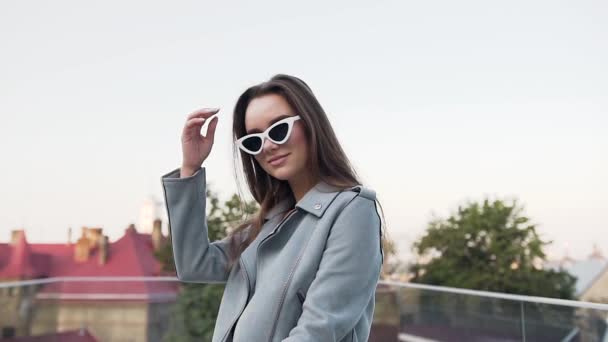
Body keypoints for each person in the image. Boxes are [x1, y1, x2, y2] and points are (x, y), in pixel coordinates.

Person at [161, 74, 386, 342]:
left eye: (279, 129)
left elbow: (319, 330)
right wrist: (190, 168)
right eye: (253, 141)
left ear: (310, 124)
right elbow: (194, 265)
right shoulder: (271, 223)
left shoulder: (352, 211)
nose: (267, 146)